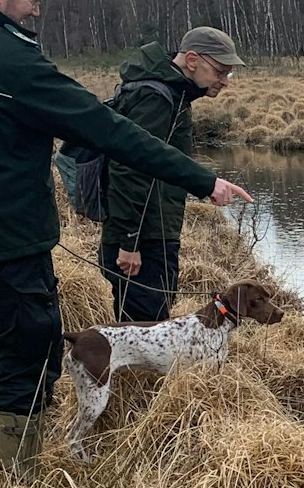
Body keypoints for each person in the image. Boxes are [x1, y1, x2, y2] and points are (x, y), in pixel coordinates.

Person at [0, 0, 251, 488]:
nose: (36, 9)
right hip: (10, 239)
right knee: (29, 353)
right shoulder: (11, 58)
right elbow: (109, 132)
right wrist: (204, 181)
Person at [100, 27, 242, 322]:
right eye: (220, 72)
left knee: (149, 324)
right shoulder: (157, 98)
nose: (225, 82)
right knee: (143, 331)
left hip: (154, 233)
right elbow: (130, 168)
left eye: (229, 74)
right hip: (143, 240)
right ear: (192, 60)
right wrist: (130, 243)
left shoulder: (174, 95)